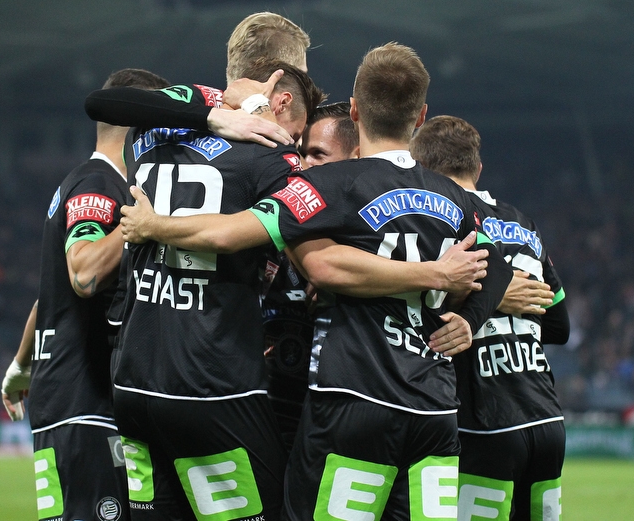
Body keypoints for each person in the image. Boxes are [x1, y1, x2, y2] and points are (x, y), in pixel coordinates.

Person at [119, 42, 514, 520]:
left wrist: (155, 227)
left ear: (354, 109)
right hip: (434, 409)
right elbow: (499, 261)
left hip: (353, 398)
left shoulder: (334, 185)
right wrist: (469, 319)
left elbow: (231, 233)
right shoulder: (454, 197)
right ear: (421, 116)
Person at [108, 59, 323, 520]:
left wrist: (209, 116)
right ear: (279, 101)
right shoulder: (273, 159)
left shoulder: (151, 134)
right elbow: (256, 234)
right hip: (211, 386)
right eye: (299, 131)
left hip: (134, 383)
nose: (296, 143)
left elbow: (105, 103)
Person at [6, 68, 170, 521]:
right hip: (86, 405)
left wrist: (21, 366)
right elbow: (82, 272)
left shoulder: (82, 184)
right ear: (142, 126)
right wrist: (144, 224)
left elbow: (51, 296)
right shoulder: (100, 185)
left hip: (67, 401)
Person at [412, 115, 568, 521]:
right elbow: (559, 325)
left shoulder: (442, 219)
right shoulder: (525, 225)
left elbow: (422, 306)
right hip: (546, 416)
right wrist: (505, 299)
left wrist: (485, 300)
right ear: (478, 168)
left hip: (483, 421)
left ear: (422, 170)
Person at [263, 102, 359, 451]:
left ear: (355, 158)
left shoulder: (374, 239)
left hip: (337, 419)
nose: (304, 166)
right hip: (268, 410)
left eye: (318, 154)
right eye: (302, 154)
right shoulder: (271, 218)